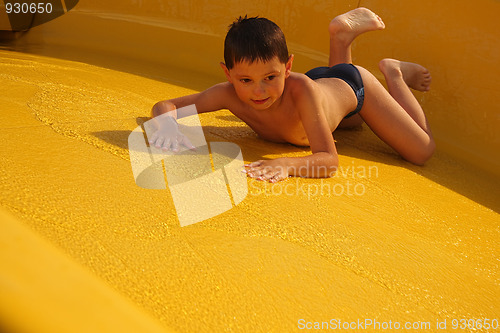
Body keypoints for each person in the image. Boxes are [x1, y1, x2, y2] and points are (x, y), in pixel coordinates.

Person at [149, 7, 435, 183]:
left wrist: (286, 164)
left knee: (422, 150)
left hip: (355, 86)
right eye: (245, 80)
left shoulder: (301, 91)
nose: (258, 91)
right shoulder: (228, 94)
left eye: (270, 78)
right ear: (228, 74)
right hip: (330, 97)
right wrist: (167, 126)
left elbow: (328, 159)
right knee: (352, 124)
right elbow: (166, 105)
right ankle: (341, 38)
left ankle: (395, 72)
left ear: (287, 68)